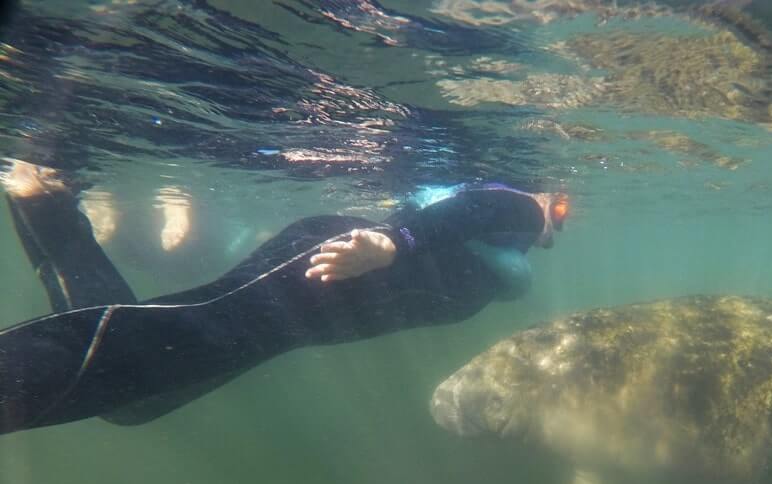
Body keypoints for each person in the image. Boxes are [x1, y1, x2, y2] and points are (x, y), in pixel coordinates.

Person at [0, 160, 569, 435]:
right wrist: (394, 242)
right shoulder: (519, 207)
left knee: (136, 400)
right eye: (563, 208)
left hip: (309, 309)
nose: (562, 220)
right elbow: (486, 206)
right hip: (333, 266)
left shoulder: (500, 266)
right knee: (165, 345)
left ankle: (46, 209)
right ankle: (44, 203)